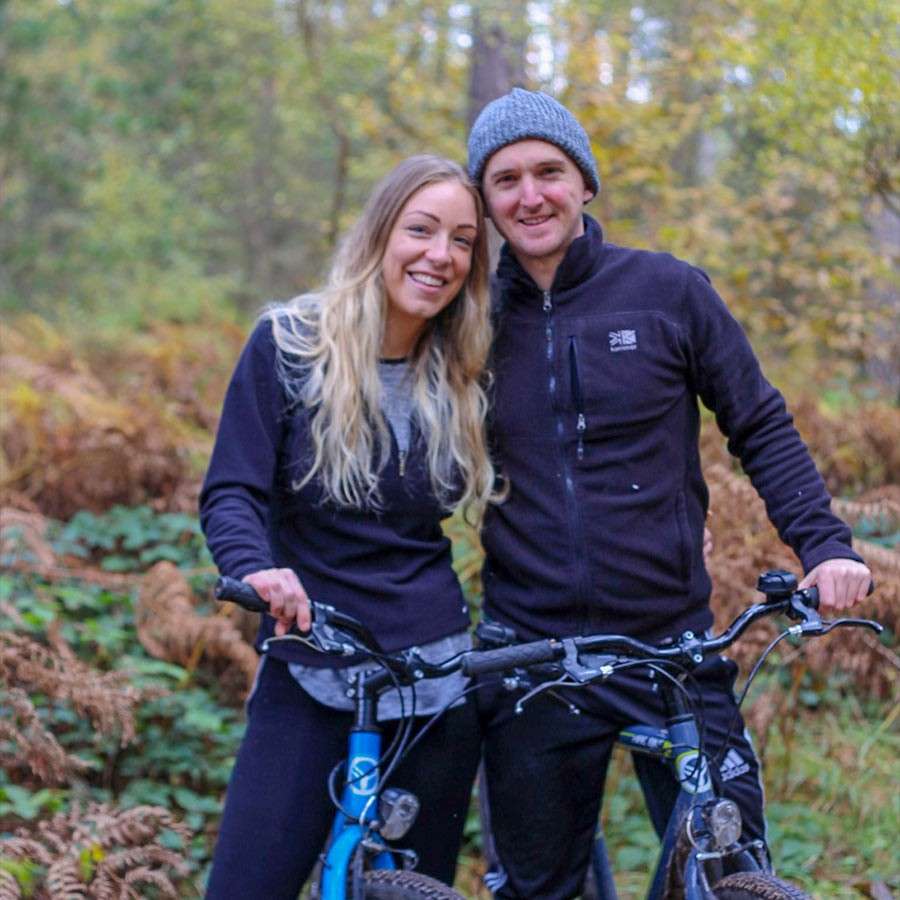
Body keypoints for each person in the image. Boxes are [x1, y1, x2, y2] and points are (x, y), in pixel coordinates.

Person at [466, 89, 872, 899]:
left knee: (730, 874)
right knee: (534, 886)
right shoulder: (468, 318)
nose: (530, 194)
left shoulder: (669, 291)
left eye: (549, 170)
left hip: (671, 647)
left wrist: (824, 545)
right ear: (484, 202)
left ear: (584, 183)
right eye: (505, 179)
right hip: (531, 656)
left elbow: (758, 423)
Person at [199, 155, 496, 899]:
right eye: (422, 229)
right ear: (379, 233)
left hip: (434, 682)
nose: (441, 255)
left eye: (463, 241)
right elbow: (231, 488)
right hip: (313, 661)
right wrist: (258, 569)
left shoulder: (465, 367)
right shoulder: (291, 344)